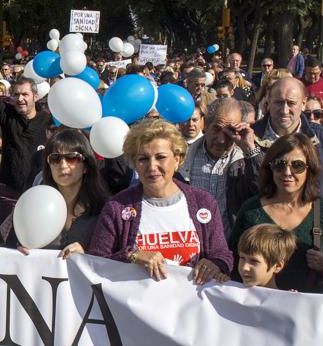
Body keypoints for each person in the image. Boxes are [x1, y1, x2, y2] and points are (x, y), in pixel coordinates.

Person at [89, 119, 232, 284]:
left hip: (191, 306)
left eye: (161, 157)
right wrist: (131, 255)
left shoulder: (204, 202)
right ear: (134, 163)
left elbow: (223, 255)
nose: (152, 166)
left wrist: (215, 264)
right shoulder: (117, 208)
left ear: (177, 160)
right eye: (143, 159)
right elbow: (96, 262)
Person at [228, 134, 323, 292]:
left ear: (309, 169)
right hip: (258, 310)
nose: (287, 172)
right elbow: (231, 261)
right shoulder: (251, 211)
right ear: (270, 168)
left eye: (297, 165)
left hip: (313, 310)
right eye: (280, 164)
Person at [228, 77, 323, 210]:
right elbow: (239, 195)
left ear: (303, 104)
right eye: (278, 102)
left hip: (316, 226)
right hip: (264, 226)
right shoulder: (247, 138)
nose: (284, 110)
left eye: (291, 103)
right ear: (268, 102)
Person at [4, 128, 108, 257]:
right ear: (49, 166)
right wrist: (18, 248)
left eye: (71, 157)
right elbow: (9, 247)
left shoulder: (104, 208)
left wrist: (86, 254)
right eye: (55, 158)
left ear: (86, 165)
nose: (63, 165)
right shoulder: (32, 204)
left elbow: (114, 257)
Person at [0, 48, 51, 209]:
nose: (20, 99)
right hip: (10, 191)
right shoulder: (8, 114)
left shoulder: (47, 119)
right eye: (16, 94)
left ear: (35, 96)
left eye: (25, 94)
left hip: (41, 191)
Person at [182, 99, 259, 230]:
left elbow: (264, 190)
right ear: (205, 125)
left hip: (231, 245)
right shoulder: (183, 158)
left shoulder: (246, 160)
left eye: (229, 131)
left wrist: (250, 150)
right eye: (216, 129)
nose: (221, 140)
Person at [235, 224, 296, 289]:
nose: (244, 267)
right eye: (242, 258)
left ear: (277, 266)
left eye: (254, 261)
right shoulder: (229, 292)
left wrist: (290, 298)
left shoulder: (285, 298)